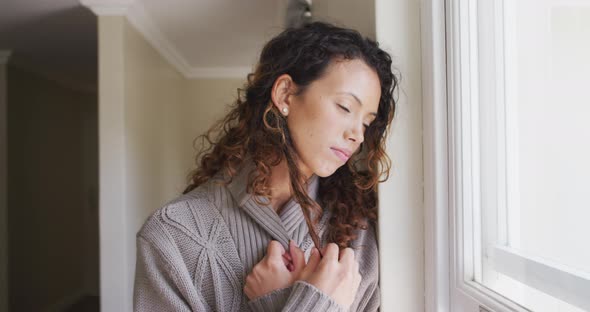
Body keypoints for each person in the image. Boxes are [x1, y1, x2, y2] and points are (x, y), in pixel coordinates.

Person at [133, 21, 398, 311]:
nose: (357, 135)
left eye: (366, 123)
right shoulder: (173, 235)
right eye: (345, 107)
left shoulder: (358, 233)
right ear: (285, 94)